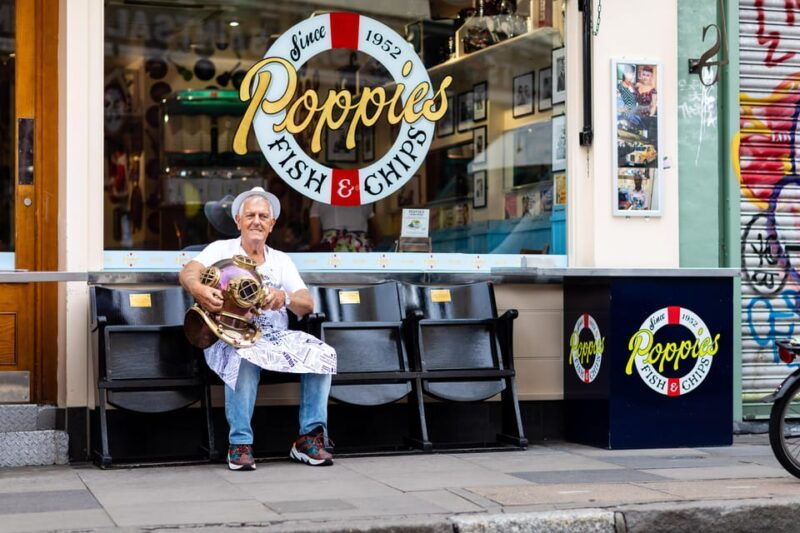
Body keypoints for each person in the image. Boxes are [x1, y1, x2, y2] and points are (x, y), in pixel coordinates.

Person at [180, 186, 337, 471]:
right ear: (238, 220)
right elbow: (188, 272)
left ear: (272, 224)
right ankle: (239, 444)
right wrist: (199, 289)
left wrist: (284, 297)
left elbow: (306, 303)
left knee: (321, 353)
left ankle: (308, 439)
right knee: (244, 355)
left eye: (263, 216)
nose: (256, 221)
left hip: (274, 338)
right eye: (250, 215)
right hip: (229, 335)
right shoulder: (220, 249)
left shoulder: (281, 260)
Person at [309, 202, 375, 252]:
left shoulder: (319, 200)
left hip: (331, 246)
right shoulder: (365, 199)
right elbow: (376, 232)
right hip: (360, 246)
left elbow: (315, 240)